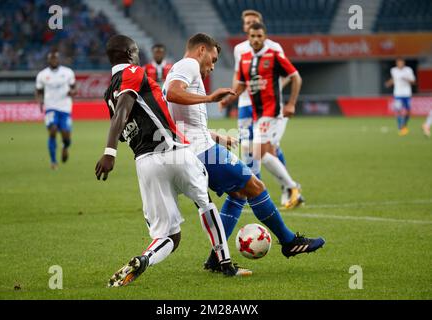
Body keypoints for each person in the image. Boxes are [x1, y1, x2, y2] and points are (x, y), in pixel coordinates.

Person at [95, 35, 249, 287]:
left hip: (146, 163)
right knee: (205, 203)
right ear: (127, 53)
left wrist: (212, 135)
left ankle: (144, 259)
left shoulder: (107, 93)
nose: (137, 54)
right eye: (135, 50)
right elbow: (126, 104)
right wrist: (109, 151)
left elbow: (130, 122)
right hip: (174, 151)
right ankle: (225, 263)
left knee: (170, 236)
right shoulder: (134, 71)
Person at [164, 33, 325, 273]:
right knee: (255, 186)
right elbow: (173, 94)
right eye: (213, 59)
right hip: (203, 152)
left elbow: (182, 121)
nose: (213, 65)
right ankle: (289, 242)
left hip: (197, 147)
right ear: (201, 50)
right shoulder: (188, 65)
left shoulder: (178, 68)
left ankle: (216, 259)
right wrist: (209, 98)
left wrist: (217, 136)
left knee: (239, 193)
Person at [221, 9, 301, 207]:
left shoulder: (273, 50)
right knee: (249, 148)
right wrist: (229, 97)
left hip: (271, 108)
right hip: (250, 108)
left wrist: (286, 100)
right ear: (245, 30)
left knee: (265, 150)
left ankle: (289, 188)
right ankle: (258, 189)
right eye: (249, 25)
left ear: (263, 32)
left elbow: (291, 75)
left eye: (256, 27)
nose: (253, 31)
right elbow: (241, 81)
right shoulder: (242, 52)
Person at [35, 50, 76, 170]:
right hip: (50, 107)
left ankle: (65, 147)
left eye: (56, 58)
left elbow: (74, 88)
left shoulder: (68, 72)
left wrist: (72, 92)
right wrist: (40, 101)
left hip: (65, 108)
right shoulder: (42, 75)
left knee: (66, 135)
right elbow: (38, 91)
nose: (54, 60)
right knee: (52, 130)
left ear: (59, 59)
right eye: (51, 59)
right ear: (48, 60)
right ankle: (53, 161)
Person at [385, 58, 416, 136]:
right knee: (398, 110)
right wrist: (389, 83)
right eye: (398, 63)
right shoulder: (393, 70)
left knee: (408, 111)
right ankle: (400, 126)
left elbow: (413, 81)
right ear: (396, 63)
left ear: (403, 63)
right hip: (397, 94)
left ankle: (404, 124)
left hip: (407, 93)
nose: (400, 64)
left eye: (401, 62)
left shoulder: (408, 70)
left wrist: (406, 79)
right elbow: (394, 79)